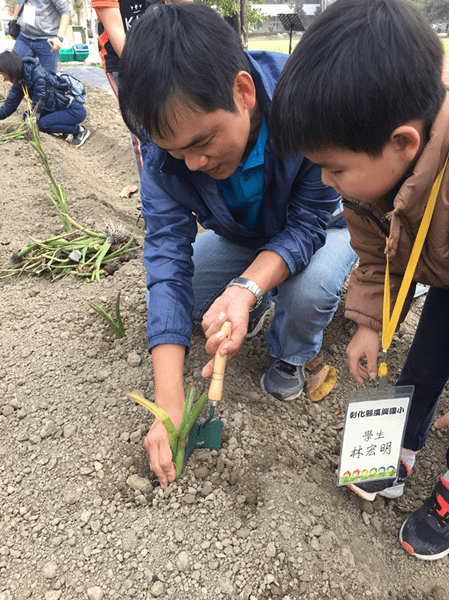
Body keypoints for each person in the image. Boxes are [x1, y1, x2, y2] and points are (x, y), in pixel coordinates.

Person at [117, 3, 357, 489]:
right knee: (187, 306)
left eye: (202, 143)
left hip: (325, 226)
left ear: (243, 92)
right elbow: (166, 260)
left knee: (306, 291)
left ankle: (292, 354)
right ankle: (259, 294)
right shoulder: (170, 151)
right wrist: (168, 401)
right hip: (246, 236)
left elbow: (308, 222)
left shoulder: (302, 101)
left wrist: (247, 287)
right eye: (176, 151)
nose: (192, 163)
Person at [270, 0, 449, 561]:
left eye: (335, 167)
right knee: (427, 354)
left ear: (403, 144)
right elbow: (374, 256)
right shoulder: (366, 188)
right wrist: (369, 324)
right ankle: (400, 443)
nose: (324, 181)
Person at [91, 0, 189, 178]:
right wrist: (148, 70)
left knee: (179, 121)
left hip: (166, 56)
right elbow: (117, 32)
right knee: (145, 133)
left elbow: (188, 6)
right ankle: (154, 198)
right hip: (125, 65)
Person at [0, 50, 90, 147]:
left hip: (73, 110)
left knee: (43, 124)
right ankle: (65, 130)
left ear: (10, 68)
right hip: (56, 109)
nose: (3, 77)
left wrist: (33, 120)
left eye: (3, 73)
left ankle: (78, 131)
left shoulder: (37, 74)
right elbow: (8, 106)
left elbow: (39, 101)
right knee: (27, 116)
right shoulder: (20, 81)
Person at [12, 0, 71, 73]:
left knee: (48, 79)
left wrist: (59, 37)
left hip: (47, 40)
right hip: (24, 37)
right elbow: (19, 3)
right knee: (15, 72)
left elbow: (65, 11)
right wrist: (13, 22)